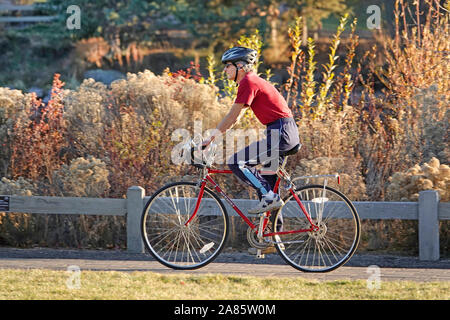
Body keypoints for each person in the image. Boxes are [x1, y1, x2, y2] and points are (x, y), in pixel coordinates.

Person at [202, 46, 300, 214]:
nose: (225, 69)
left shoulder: (248, 82)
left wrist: (209, 139)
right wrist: (218, 138)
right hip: (282, 132)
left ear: (240, 66)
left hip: (281, 133)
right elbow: (235, 119)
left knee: (237, 162)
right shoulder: (252, 82)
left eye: (228, 65)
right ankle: (272, 237)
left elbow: (231, 117)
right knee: (269, 189)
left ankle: (269, 198)